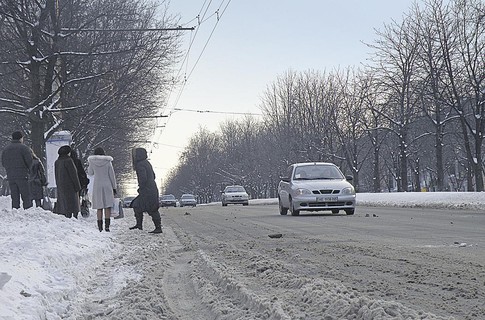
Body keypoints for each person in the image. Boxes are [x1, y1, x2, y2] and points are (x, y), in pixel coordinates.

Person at [129, 147, 162, 234]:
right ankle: (139, 225)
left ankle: (157, 227)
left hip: (147, 189)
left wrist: (142, 187)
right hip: (152, 188)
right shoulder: (147, 163)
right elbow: (153, 176)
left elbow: (143, 178)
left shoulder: (140, 165)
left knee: (151, 208)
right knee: (138, 205)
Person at [1, 131, 33, 209]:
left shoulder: (6, 149)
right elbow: (29, 161)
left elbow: (3, 162)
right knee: (26, 196)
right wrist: (28, 170)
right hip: (22, 175)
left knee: (14, 196)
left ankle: (15, 210)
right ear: (20, 138)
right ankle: (28, 211)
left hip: (11, 176)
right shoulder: (24, 148)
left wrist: (9, 169)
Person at [87, 147, 117, 232]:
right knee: (107, 206)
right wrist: (114, 187)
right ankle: (107, 227)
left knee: (99, 207)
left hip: (97, 185)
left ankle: (100, 227)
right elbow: (112, 175)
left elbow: (90, 173)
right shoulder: (108, 162)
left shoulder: (92, 162)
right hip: (107, 185)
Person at [54, 145, 81, 218]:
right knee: (73, 205)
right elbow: (73, 174)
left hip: (61, 186)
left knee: (65, 205)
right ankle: (74, 218)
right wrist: (77, 187)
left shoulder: (57, 162)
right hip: (70, 186)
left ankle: (67, 216)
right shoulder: (69, 160)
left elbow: (56, 174)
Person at [70, 147, 90, 216]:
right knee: (77, 198)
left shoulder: (66, 161)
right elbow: (82, 172)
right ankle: (76, 213)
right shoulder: (77, 161)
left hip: (69, 183)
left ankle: (70, 212)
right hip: (78, 183)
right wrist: (85, 181)